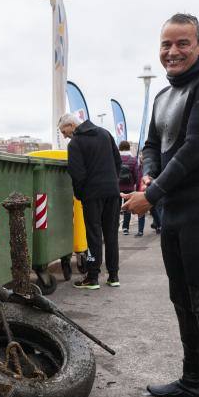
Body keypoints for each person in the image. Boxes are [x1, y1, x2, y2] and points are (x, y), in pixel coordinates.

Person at [120, 13, 199, 397]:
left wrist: (149, 195)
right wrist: (149, 173)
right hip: (173, 211)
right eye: (166, 44)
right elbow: (152, 145)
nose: (172, 52)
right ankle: (192, 379)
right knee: (181, 299)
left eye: (182, 43)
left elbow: (193, 149)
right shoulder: (163, 96)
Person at [59, 112, 122, 289]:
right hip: (112, 193)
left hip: (92, 195)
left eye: (64, 131)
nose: (64, 135)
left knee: (94, 235)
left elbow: (77, 173)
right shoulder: (105, 133)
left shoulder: (76, 143)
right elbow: (118, 161)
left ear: (71, 126)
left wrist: (80, 194)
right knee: (111, 235)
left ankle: (93, 277)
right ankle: (113, 276)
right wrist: (112, 182)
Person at [118, 140, 144, 236]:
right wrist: (137, 189)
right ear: (129, 148)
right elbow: (137, 175)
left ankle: (114, 226)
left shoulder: (116, 159)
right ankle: (125, 228)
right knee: (127, 208)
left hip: (117, 187)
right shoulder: (133, 160)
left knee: (115, 209)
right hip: (129, 188)